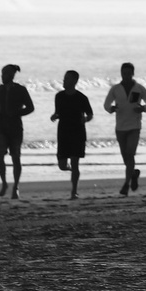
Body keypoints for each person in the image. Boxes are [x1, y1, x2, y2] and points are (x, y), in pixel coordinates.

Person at [104, 62, 146, 196]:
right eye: (123, 73)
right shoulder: (115, 89)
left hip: (134, 126)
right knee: (126, 157)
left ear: (132, 73)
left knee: (130, 154)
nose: (126, 76)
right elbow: (106, 104)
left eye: (128, 73)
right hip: (120, 127)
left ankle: (126, 184)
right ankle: (134, 174)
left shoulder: (139, 88)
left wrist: (143, 108)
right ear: (121, 73)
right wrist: (111, 109)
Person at [0, 64, 35, 198]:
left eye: (6, 74)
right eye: (2, 74)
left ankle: (16, 186)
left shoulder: (21, 90)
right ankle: (4, 183)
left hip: (16, 128)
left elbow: (31, 107)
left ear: (12, 75)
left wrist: (18, 112)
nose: (3, 76)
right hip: (1, 128)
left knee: (16, 158)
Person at [50, 70, 94, 198]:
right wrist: (55, 115)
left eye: (67, 79)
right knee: (62, 166)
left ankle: (74, 191)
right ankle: (71, 170)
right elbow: (58, 112)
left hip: (77, 132)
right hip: (63, 132)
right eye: (64, 78)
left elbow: (90, 114)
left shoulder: (81, 98)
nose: (64, 81)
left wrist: (85, 119)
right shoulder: (59, 96)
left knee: (75, 162)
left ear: (74, 81)